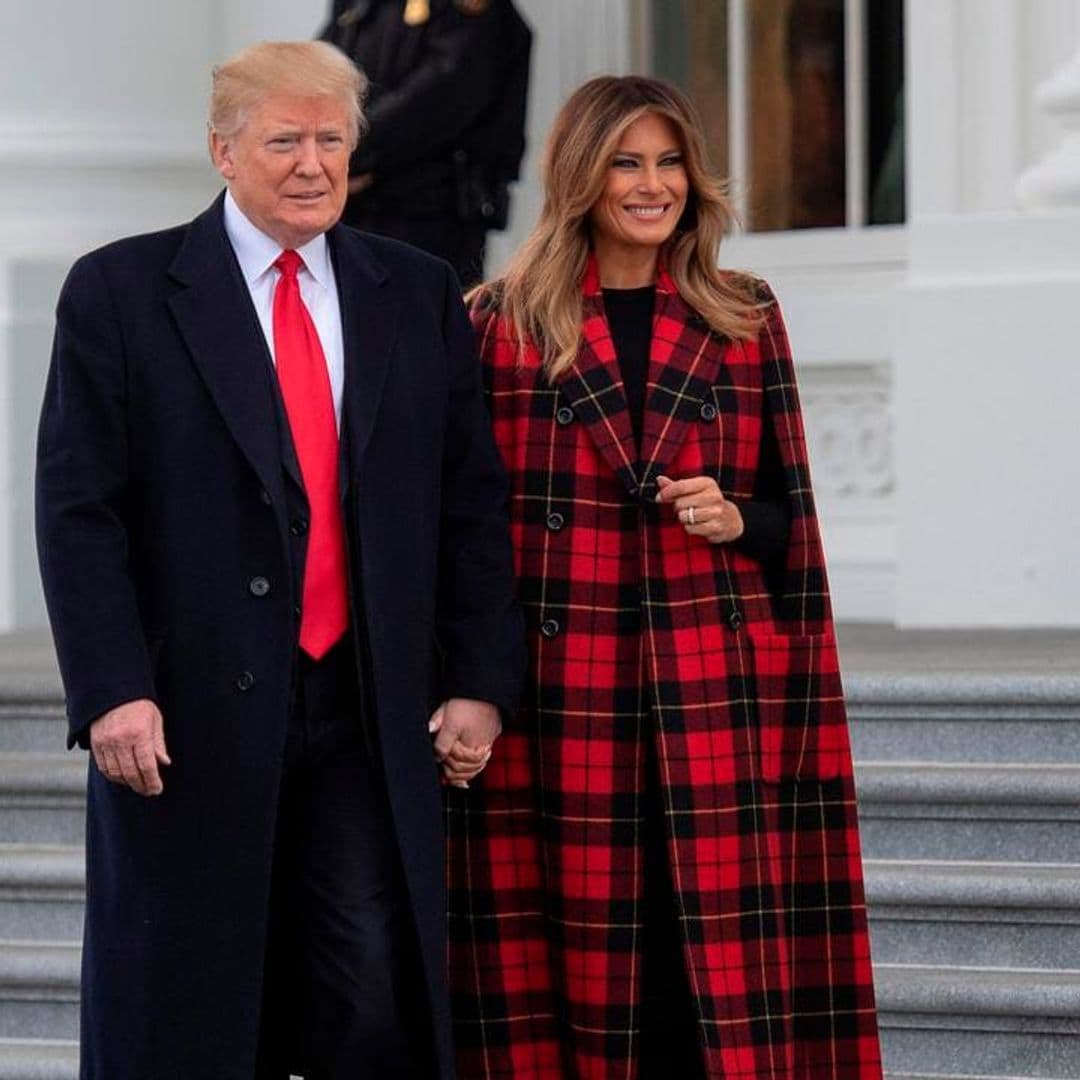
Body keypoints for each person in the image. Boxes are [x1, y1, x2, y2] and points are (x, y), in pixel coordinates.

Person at [35, 40, 523, 1080]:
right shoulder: (121, 291)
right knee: (194, 1005)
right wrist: (113, 688)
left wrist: (481, 681)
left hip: (363, 703)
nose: (314, 163)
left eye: (334, 139)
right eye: (285, 140)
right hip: (184, 711)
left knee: (367, 994)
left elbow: (471, 504)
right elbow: (80, 511)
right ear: (223, 152)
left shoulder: (418, 290)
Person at [445, 75, 882, 1078]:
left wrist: (734, 516)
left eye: (669, 161)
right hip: (560, 694)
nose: (653, 185)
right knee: (568, 969)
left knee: (705, 975)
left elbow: (788, 521)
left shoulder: (742, 313)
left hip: (710, 687)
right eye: (626, 163)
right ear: (580, 178)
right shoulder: (499, 323)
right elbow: (459, 529)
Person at [318, 0, 532, 287]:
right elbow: (319, 70)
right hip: (355, 210)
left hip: (429, 214)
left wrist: (349, 149)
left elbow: (444, 96)